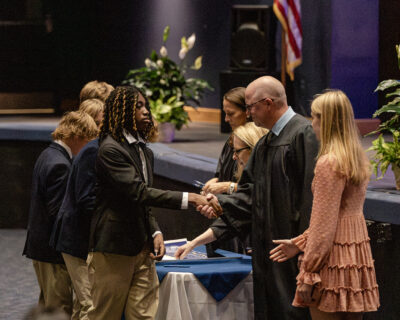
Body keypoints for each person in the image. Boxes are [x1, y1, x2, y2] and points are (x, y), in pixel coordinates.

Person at [198, 76, 319, 320]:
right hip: (268, 251)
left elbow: (311, 199)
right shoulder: (265, 142)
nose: (249, 113)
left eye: (251, 106)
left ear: (268, 103)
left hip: (292, 249)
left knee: (292, 312)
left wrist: (306, 251)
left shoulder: (302, 134)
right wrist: (220, 204)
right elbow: (249, 193)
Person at [87, 86, 208, 320]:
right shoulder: (110, 149)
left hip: (142, 247)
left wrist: (154, 230)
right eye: (138, 106)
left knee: (144, 315)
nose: (145, 112)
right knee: (105, 315)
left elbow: (141, 202)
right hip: (113, 247)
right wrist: (189, 198)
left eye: (146, 106)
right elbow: (138, 193)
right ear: (120, 111)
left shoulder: (144, 151)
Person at [269, 90, 380, 319]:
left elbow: (324, 225)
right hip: (355, 257)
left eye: (316, 116)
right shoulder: (357, 159)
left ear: (328, 121)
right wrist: (299, 243)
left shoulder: (329, 163)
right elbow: (336, 218)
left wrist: (309, 272)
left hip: (331, 261)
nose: (313, 123)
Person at [23, 111, 99, 317]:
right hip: (51, 251)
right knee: (59, 309)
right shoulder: (61, 165)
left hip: (39, 246)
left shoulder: (48, 154)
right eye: (86, 141)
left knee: (47, 305)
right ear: (74, 136)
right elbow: (58, 213)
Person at [175, 122, 268, 259]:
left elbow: (247, 203)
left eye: (237, 151)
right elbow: (229, 222)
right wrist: (194, 244)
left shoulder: (270, 178)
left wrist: (218, 202)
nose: (233, 157)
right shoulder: (248, 176)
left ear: (253, 148)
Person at [49, 99, 105, 320]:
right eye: (101, 123)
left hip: (76, 239)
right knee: (89, 304)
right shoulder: (91, 152)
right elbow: (85, 200)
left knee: (83, 304)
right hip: (76, 240)